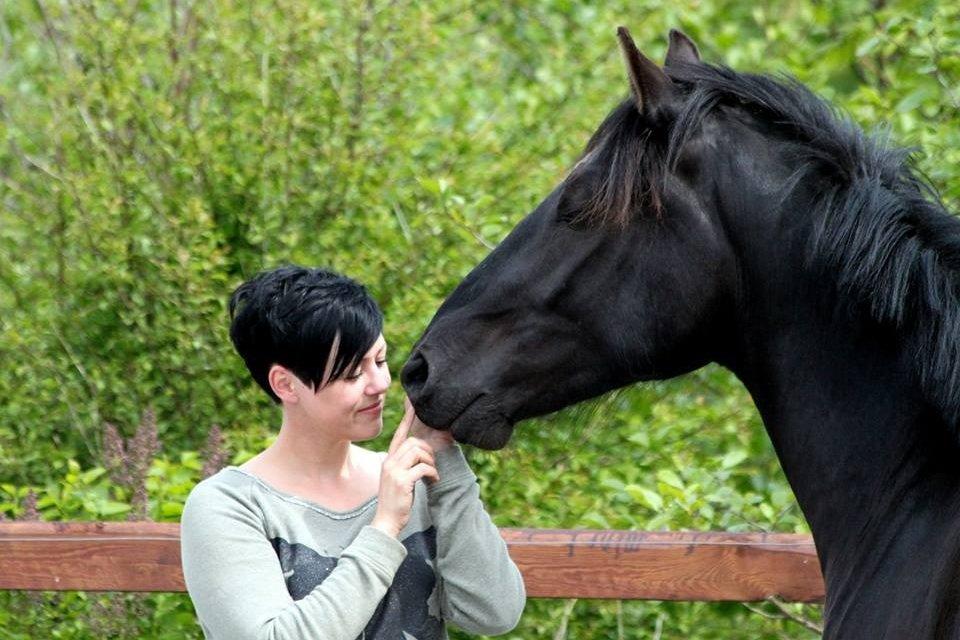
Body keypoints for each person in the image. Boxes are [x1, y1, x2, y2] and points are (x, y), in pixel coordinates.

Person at [179, 265, 526, 639]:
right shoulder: (229, 505)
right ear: (286, 384)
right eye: (352, 374)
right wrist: (386, 525)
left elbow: (495, 614)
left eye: (379, 360)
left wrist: (445, 464)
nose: (380, 384)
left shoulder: (407, 479)